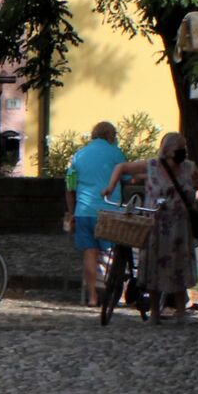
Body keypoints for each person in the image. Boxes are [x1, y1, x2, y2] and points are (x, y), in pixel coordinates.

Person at [111, 133, 198, 323]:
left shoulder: (189, 168)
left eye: (185, 148)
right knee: (153, 268)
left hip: (180, 227)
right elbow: (122, 167)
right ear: (166, 150)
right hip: (156, 226)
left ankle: (181, 311)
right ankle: (155, 313)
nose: (183, 152)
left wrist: (191, 201)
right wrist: (110, 187)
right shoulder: (152, 166)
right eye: (179, 148)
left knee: (179, 267)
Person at [64, 121, 125, 308]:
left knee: (89, 254)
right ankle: (113, 295)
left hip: (84, 211)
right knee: (111, 255)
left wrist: (72, 212)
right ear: (110, 135)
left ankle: (92, 297)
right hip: (109, 210)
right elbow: (129, 177)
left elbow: (70, 186)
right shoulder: (116, 153)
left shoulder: (79, 155)